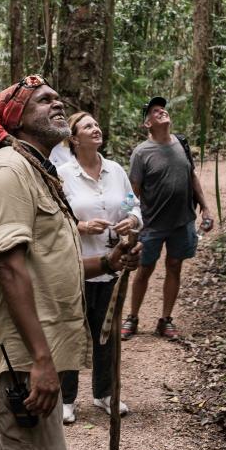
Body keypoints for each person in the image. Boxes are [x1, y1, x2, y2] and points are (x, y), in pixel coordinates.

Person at [0, 75, 141, 450]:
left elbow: (49, 261)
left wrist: (106, 262)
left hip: (29, 350)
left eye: (57, 98)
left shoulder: (40, 172)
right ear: (15, 118)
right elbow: (7, 265)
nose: (56, 103)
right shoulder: (8, 173)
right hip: (18, 355)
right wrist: (42, 361)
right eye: (42, 100)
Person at [57, 111, 142, 424]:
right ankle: (66, 399)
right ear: (74, 138)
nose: (96, 128)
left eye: (97, 123)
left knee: (106, 334)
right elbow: (52, 219)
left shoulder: (115, 170)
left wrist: (132, 220)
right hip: (75, 267)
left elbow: (134, 204)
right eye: (87, 126)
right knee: (71, 332)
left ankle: (104, 394)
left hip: (112, 267)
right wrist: (80, 226)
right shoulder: (61, 173)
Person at [121, 96, 214, 341]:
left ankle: (165, 319)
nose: (161, 111)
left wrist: (205, 208)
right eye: (154, 111)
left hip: (182, 221)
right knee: (144, 270)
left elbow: (192, 177)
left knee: (175, 266)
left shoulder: (181, 143)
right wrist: (132, 227)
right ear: (147, 124)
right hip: (152, 224)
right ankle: (132, 317)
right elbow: (133, 192)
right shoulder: (141, 153)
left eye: (162, 108)